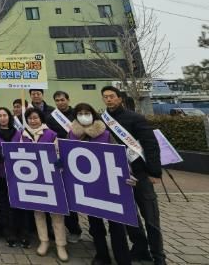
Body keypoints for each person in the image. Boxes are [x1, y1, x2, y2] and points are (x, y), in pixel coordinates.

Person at [101, 86, 165, 265]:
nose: (109, 100)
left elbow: (150, 144)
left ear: (120, 98)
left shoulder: (135, 118)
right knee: (130, 217)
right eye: (105, 97)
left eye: (112, 96)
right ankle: (140, 249)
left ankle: (159, 256)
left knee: (151, 218)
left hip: (141, 174)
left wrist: (154, 171)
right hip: (118, 175)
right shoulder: (102, 120)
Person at [69, 103, 131, 265]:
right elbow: (68, 157)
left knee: (116, 224)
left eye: (87, 112)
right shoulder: (72, 135)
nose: (84, 116)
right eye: (80, 113)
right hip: (88, 185)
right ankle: (102, 255)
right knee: (95, 223)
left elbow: (119, 156)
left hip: (109, 185)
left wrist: (127, 173)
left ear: (93, 114)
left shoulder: (105, 134)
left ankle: (122, 257)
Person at [14, 107, 69, 262]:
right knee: (38, 212)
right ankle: (43, 241)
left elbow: (58, 154)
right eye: (30, 118)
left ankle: (60, 244)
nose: (33, 121)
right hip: (33, 178)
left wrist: (58, 168)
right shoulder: (23, 135)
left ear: (41, 119)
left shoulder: (50, 134)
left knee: (56, 213)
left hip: (51, 178)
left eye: (35, 118)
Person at [45, 90, 82, 243]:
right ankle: (72, 228)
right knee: (64, 195)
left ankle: (88, 230)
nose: (60, 102)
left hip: (78, 158)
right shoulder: (51, 118)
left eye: (62, 99)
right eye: (57, 100)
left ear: (68, 99)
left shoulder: (78, 115)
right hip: (60, 158)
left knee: (77, 194)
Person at [0, 107, 29, 248]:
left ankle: (22, 231)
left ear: (9, 117)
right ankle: (8, 231)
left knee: (18, 203)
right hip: (0, 173)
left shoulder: (18, 133)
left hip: (17, 174)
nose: (2, 118)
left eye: (5, 115)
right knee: (3, 203)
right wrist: (0, 154)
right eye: (0, 116)